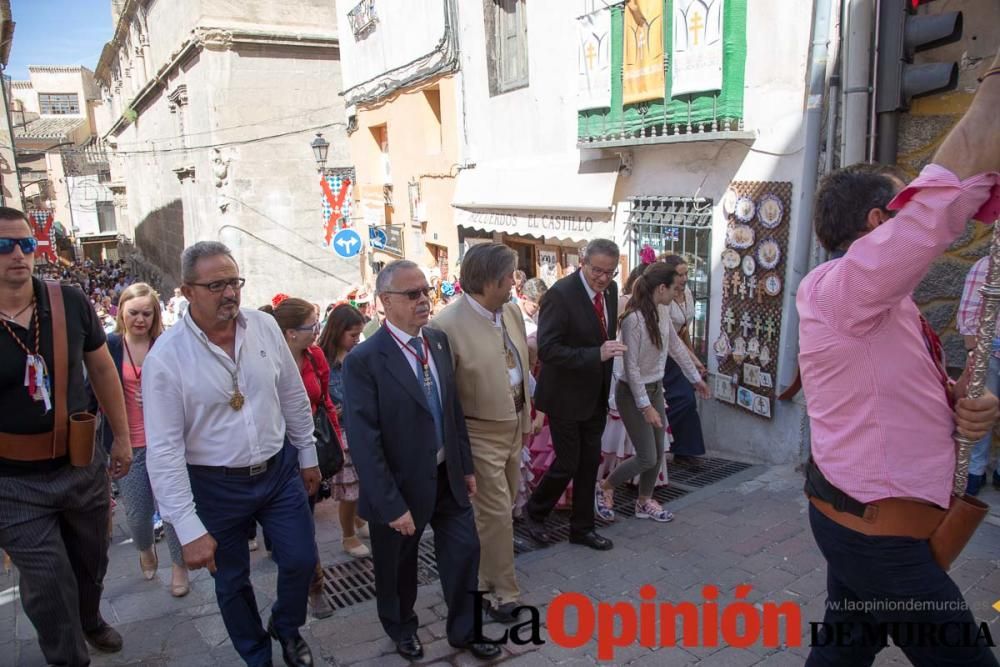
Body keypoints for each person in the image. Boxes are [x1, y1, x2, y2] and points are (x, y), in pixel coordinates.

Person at [798, 51, 1000, 666]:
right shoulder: (835, 290)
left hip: (868, 523)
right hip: (878, 535)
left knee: (842, 653)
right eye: (899, 204)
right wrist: (990, 97)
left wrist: (963, 402)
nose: (910, 211)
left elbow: (906, 389)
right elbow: (928, 223)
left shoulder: (890, 306)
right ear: (879, 222)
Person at [143, 241, 320, 667]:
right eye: (216, 284)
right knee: (231, 581)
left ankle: (286, 625)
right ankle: (256, 654)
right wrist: (186, 526)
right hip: (214, 485)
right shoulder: (166, 358)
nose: (229, 293)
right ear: (187, 292)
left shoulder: (263, 326)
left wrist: (308, 452)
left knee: (299, 558)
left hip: (277, 471)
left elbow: (292, 394)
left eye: (234, 282)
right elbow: (164, 450)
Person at [342, 260, 500, 661]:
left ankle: (465, 630)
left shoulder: (438, 341)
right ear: (385, 302)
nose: (423, 301)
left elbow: (452, 410)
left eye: (425, 291)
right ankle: (401, 629)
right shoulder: (365, 360)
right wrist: (389, 503)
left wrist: (464, 466)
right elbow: (364, 440)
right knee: (398, 568)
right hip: (399, 484)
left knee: (464, 551)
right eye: (411, 294)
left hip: (446, 474)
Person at [0, 207, 132, 665]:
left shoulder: (68, 301)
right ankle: (69, 656)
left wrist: (122, 437)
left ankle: (91, 617)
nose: (18, 254)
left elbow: (101, 368)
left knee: (92, 562)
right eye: (4, 246)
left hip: (80, 464)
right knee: (49, 582)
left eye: (25, 244)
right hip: (12, 481)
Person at [430, 244, 533, 624]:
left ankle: (485, 575)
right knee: (494, 513)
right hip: (477, 432)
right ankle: (502, 592)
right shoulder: (445, 325)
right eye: (509, 275)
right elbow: (443, 392)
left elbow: (523, 361)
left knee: (503, 509)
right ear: (489, 280)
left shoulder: (511, 311)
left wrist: (527, 412)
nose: (514, 281)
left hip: (514, 425)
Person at [523, 238, 624, 551]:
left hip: (595, 394)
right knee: (568, 462)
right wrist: (596, 354)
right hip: (565, 395)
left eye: (610, 272)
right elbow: (549, 350)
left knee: (589, 462)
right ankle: (534, 511)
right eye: (597, 271)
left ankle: (582, 529)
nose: (603, 278)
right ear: (583, 263)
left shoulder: (611, 291)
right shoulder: (560, 294)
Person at [596, 263, 709, 523]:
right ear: (661, 288)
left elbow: (676, 347)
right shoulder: (632, 320)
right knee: (647, 455)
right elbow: (631, 369)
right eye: (674, 288)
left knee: (659, 451)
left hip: (656, 388)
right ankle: (605, 488)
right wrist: (646, 406)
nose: (677, 293)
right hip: (632, 393)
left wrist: (695, 379)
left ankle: (644, 501)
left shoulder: (662, 310)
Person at [261, 294, 346, 621]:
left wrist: (334, 445)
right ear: (290, 333)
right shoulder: (265, 359)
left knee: (303, 526)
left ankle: (315, 587)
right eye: (312, 325)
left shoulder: (315, 358)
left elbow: (324, 402)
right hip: (273, 452)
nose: (317, 330)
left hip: (307, 448)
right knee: (285, 528)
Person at [105, 282, 189, 597]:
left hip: (166, 443)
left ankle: (180, 567)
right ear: (122, 313)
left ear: (155, 315)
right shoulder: (110, 346)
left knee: (172, 509)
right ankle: (145, 548)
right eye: (133, 313)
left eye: (146, 313)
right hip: (128, 445)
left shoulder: (167, 344)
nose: (140, 319)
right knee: (139, 515)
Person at [316, 303, 371, 558]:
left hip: (360, 427)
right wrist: (331, 411)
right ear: (338, 332)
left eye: (359, 335)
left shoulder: (358, 355)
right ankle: (347, 535)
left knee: (361, 483)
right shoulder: (322, 360)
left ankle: (359, 521)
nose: (356, 340)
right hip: (341, 434)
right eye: (352, 335)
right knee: (349, 490)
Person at [957, 254, 1000, 495]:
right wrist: (975, 352)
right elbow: (969, 313)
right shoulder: (987, 266)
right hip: (990, 352)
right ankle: (974, 471)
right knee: (979, 412)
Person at [658, 254, 707, 463]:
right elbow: (669, 337)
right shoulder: (664, 298)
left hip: (679, 351)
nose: (685, 278)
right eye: (680, 274)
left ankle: (685, 449)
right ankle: (661, 445)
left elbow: (684, 330)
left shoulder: (686, 292)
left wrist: (693, 355)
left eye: (687, 273)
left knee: (686, 400)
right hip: (664, 354)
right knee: (672, 401)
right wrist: (693, 361)